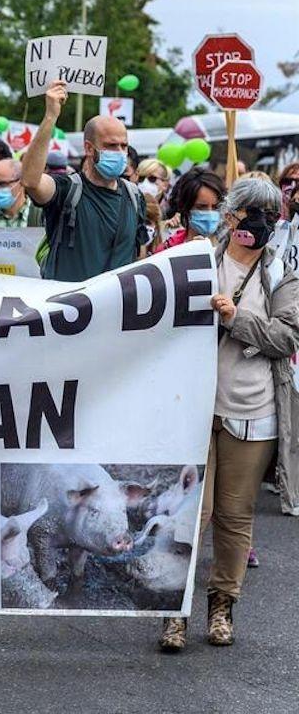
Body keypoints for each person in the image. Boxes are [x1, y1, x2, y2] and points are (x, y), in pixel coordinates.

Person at [158, 178, 299, 653]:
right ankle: (173, 612)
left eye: (266, 214)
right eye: (246, 212)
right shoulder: (198, 261)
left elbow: (286, 338)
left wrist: (235, 316)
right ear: (229, 215)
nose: (253, 223)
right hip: (192, 407)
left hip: (250, 410)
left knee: (235, 517)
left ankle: (222, 606)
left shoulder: (282, 272)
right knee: (189, 514)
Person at [21, 80, 148, 282]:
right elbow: (29, 181)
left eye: (124, 146)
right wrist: (50, 116)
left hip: (116, 309)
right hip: (68, 309)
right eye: (111, 145)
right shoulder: (67, 190)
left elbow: (139, 256)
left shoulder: (135, 197)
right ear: (89, 148)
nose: (120, 153)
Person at [155, 169, 225, 253]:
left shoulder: (230, 251)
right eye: (201, 207)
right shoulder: (167, 250)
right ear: (186, 207)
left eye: (215, 207)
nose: (210, 213)